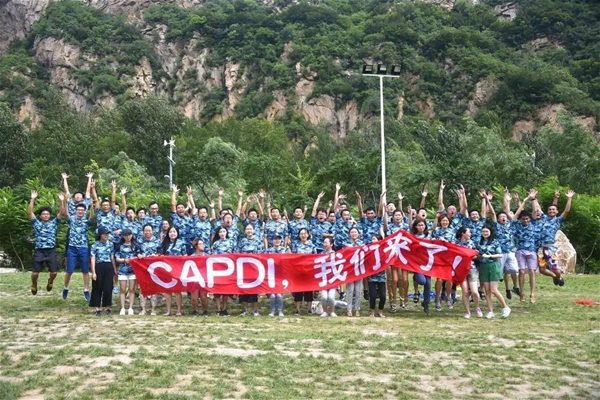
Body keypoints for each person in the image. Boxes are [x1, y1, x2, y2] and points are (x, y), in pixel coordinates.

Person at [535, 189, 575, 287]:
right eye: (549, 210)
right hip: (542, 249)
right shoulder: (544, 218)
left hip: (551, 248)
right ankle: (556, 277)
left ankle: (558, 276)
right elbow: (538, 208)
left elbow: (566, 211)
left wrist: (569, 198)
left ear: (557, 212)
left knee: (555, 268)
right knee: (542, 270)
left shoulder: (557, 220)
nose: (551, 211)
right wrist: (534, 198)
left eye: (553, 210)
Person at [28, 190, 64, 295]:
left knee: (54, 272)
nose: (46, 215)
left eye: (47, 214)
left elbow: (61, 213)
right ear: (40, 216)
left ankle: (50, 281)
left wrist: (61, 201)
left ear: (50, 215)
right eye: (43, 214)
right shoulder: (36, 223)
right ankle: (34, 284)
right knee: (35, 273)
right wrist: (32, 199)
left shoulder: (54, 223)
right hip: (39, 251)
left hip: (50, 250)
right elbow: (30, 212)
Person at [62, 193, 94, 300]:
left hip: (83, 248)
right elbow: (66, 214)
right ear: (75, 211)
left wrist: (91, 206)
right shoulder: (71, 219)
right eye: (78, 210)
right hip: (72, 248)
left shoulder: (86, 221)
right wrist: (66, 202)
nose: (80, 211)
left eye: (82, 210)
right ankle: (66, 287)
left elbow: (92, 217)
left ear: (84, 211)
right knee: (69, 270)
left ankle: (86, 290)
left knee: (85, 270)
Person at [491, 189, 520, 300]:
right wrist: (505, 198)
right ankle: (497, 289)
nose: (503, 218)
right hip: (500, 252)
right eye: (501, 217)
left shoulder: (511, 224)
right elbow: (496, 212)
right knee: (499, 273)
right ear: (498, 219)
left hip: (510, 251)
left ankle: (513, 286)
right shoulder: (497, 226)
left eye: (504, 216)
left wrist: (508, 200)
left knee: (514, 270)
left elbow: (509, 211)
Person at [477, 225, 511, 319]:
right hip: (483, 267)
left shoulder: (495, 242)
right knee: (487, 291)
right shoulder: (479, 242)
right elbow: (477, 254)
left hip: (493, 266)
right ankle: (490, 311)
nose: (485, 233)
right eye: (483, 231)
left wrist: (489, 256)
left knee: (493, 290)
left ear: (490, 232)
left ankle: (505, 307)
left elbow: (500, 255)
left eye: (486, 231)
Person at [512, 190, 539, 303]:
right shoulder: (517, 224)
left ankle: (532, 294)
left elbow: (535, 211)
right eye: (523, 219)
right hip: (521, 251)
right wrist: (522, 201)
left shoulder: (533, 223)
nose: (525, 220)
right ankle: (522, 293)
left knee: (532, 271)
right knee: (522, 271)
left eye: (527, 219)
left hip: (532, 251)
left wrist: (533, 199)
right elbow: (518, 213)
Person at [455, 226, 482, 319]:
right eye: (468, 232)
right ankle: (467, 311)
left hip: (471, 268)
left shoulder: (471, 242)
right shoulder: (456, 243)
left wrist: (469, 256)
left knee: (474, 292)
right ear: (463, 233)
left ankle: (477, 308)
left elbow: (476, 255)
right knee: (465, 292)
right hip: (461, 270)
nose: (470, 234)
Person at [237, 224, 264, 316]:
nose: (249, 231)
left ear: (254, 230)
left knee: (254, 289)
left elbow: (261, 253)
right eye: (247, 229)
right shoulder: (242, 241)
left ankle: (255, 310)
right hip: (243, 268)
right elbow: (238, 253)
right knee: (244, 289)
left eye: (251, 229)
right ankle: (245, 310)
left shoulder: (258, 240)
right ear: (245, 231)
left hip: (255, 268)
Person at [89, 226, 116, 316]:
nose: (106, 235)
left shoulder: (110, 244)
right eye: (104, 234)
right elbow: (93, 258)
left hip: (108, 266)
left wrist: (114, 269)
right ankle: (97, 308)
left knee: (108, 287)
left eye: (107, 234)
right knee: (97, 287)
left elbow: (112, 257)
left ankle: (108, 307)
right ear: (100, 235)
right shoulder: (95, 245)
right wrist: (93, 272)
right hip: (99, 266)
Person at [161, 226, 187, 316]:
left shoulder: (181, 243)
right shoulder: (164, 243)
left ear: (177, 233)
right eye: (170, 232)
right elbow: (161, 255)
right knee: (167, 290)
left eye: (174, 232)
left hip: (177, 269)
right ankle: (168, 311)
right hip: (166, 269)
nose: (172, 233)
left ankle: (179, 310)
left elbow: (185, 255)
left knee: (177, 291)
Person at [137, 224, 162, 315]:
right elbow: (137, 252)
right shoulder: (140, 241)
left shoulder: (157, 241)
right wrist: (139, 255)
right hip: (143, 267)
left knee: (154, 288)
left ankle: (153, 309)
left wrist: (156, 255)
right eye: (146, 230)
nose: (147, 232)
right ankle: (143, 309)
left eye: (149, 230)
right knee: (142, 287)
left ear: (152, 231)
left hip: (154, 268)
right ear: (143, 232)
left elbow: (161, 252)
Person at [432, 213, 455, 311]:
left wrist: (446, 242)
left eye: (446, 221)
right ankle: (437, 298)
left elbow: (454, 244)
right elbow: (432, 241)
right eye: (443, 221)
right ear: (440, 222)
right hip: (439, 258)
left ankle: (448, 297)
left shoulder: (452, 231)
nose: (445, 222)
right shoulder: (436, 231)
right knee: (440, 279)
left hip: (449, 258)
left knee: (449, 279)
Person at [291, 228, 317, 315]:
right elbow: (293, 257)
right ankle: (297, 310)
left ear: (308, 234)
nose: (303, 235)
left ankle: (309, 309)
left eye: (305, 233)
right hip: (298, 270)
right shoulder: (295, 245)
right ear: (299, 235)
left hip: (309, 271)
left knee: (309, 290)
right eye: (301, 234)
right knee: (298, 290)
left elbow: (315, 258)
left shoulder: (312, 245)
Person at [212, 226, 235, 316]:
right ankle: (218, 309)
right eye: (220, 232)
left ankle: (224, 309)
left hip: (229, 268)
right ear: (218, 234)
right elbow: (213, 256)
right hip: (218, 269)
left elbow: (234, 255)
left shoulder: (231, 242)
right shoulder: (216, 243)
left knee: (226, 289)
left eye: (224, 231)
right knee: (217, 290)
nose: (222, 233)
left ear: (226, 232)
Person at [411, 218, 432, 314]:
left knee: (428, 284)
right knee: (422, 281)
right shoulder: (412, 236)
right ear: (415, 226)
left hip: (427, 263)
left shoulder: (429, 236)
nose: (421, 227)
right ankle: (415, 277)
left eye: (422, 225)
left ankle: (426, 303)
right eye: (419, 225)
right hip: (417, 263)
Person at [115, 229, 138, 316]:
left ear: (131, 235)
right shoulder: (120, 246)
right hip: (122, 270)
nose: (127, 237)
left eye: (129, 235)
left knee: (132, 289)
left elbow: (138, 256)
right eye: (125, 235)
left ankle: (131, 308)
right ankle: (122, 308)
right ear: (123, 236)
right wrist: (124, 260)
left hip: (133, 270)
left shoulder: (135, 245)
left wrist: (133, 260)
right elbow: (117, 258)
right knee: (122, 289)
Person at [344, 227, 364, 317]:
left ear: (358, 234)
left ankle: (357, 309)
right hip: (349, 270)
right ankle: (349, 309)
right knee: (350, 290)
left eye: (355, 232)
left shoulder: (362, 244)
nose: (354, 234)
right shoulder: (346, 244)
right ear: (349, 234)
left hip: (359, 269)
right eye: (352, 232)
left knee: (358, 290)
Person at [266, 235, 286, 317]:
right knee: (272, 295)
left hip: (281, 275)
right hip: (271, 275)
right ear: (272, 241)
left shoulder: (285, 250)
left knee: (279, 295)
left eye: (279, 239)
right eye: (275, 239)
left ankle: (280, 311)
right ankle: (272, 311)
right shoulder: (268, 251)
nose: (277, 241)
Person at [190, 238, 211, 317]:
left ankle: (205, 311)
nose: (202, 245)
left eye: (203, 244)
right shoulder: (191, 257)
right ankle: (195, 311)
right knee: (194, 298)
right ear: (196, 246)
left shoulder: (207, 256)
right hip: (194, 279)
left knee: (203, 297)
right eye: (200, 244)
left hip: (204, 279)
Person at [318, 237, 337, 317]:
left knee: (331, 297)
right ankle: (325, 311)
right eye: (324, 242)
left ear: (331, 244)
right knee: (324, 297)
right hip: (323, 279)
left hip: (332, 279)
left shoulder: (336, 254)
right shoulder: (321, 254)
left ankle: (332, 311)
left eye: (326, 242)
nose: (324, 244)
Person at [368, 234, 386, 317]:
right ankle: (372, 312)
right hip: (372, 276)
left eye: (374, 239)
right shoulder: (369, 250)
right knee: (372, 295)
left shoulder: (384, 250)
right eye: (372, 239)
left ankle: (380, 311)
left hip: (381, 277)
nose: (372, 241)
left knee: (383, 296)